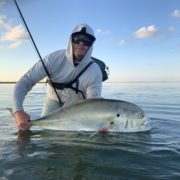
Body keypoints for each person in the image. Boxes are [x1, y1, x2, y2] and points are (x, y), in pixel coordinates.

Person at [13, 23, 102, 131]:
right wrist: (18, 111)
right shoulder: (53, 59)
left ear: (91, 44)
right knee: (45, 133)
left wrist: (100, 124)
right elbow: (25, 82)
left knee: (78, 138)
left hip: (79, 106)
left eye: (87, 40)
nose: (81, 43)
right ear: (71, 40)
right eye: (77, 39)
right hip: (53, 100)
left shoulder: (95, 70)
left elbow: (94, 104)